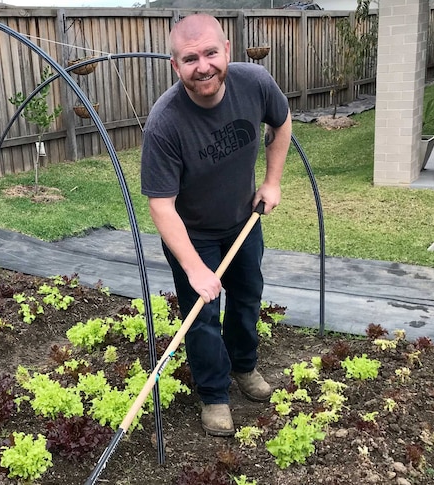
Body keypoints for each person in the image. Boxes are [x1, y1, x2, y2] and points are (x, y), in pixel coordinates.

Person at [140, 13, 292, 437]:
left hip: (243, 220)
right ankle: (214, 395)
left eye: (210, 52)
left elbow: (281, 123)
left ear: (227, 50)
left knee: (247, 295)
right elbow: (161, 206)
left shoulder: (255, 82)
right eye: (190, 58)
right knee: (201, 314)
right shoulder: (165, 123)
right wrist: (194, 268)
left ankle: (244, 367)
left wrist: (272, 182)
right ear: (176, 66)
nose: (202, 65)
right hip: (192, 234)